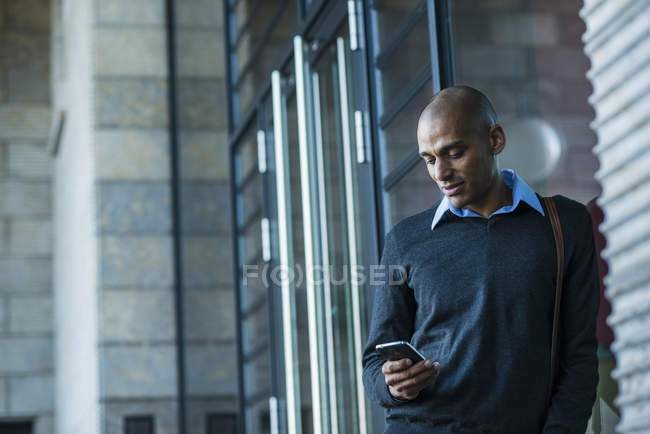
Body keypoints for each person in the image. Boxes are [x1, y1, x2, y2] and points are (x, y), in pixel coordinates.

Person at [362, 86, 600, 433]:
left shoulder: (565, 225)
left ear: (495, 140)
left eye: (454, 153)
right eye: (429, 159)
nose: (440, 172)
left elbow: (578, 355)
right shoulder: (405, 239)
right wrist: (392, 385)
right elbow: (373, 364)